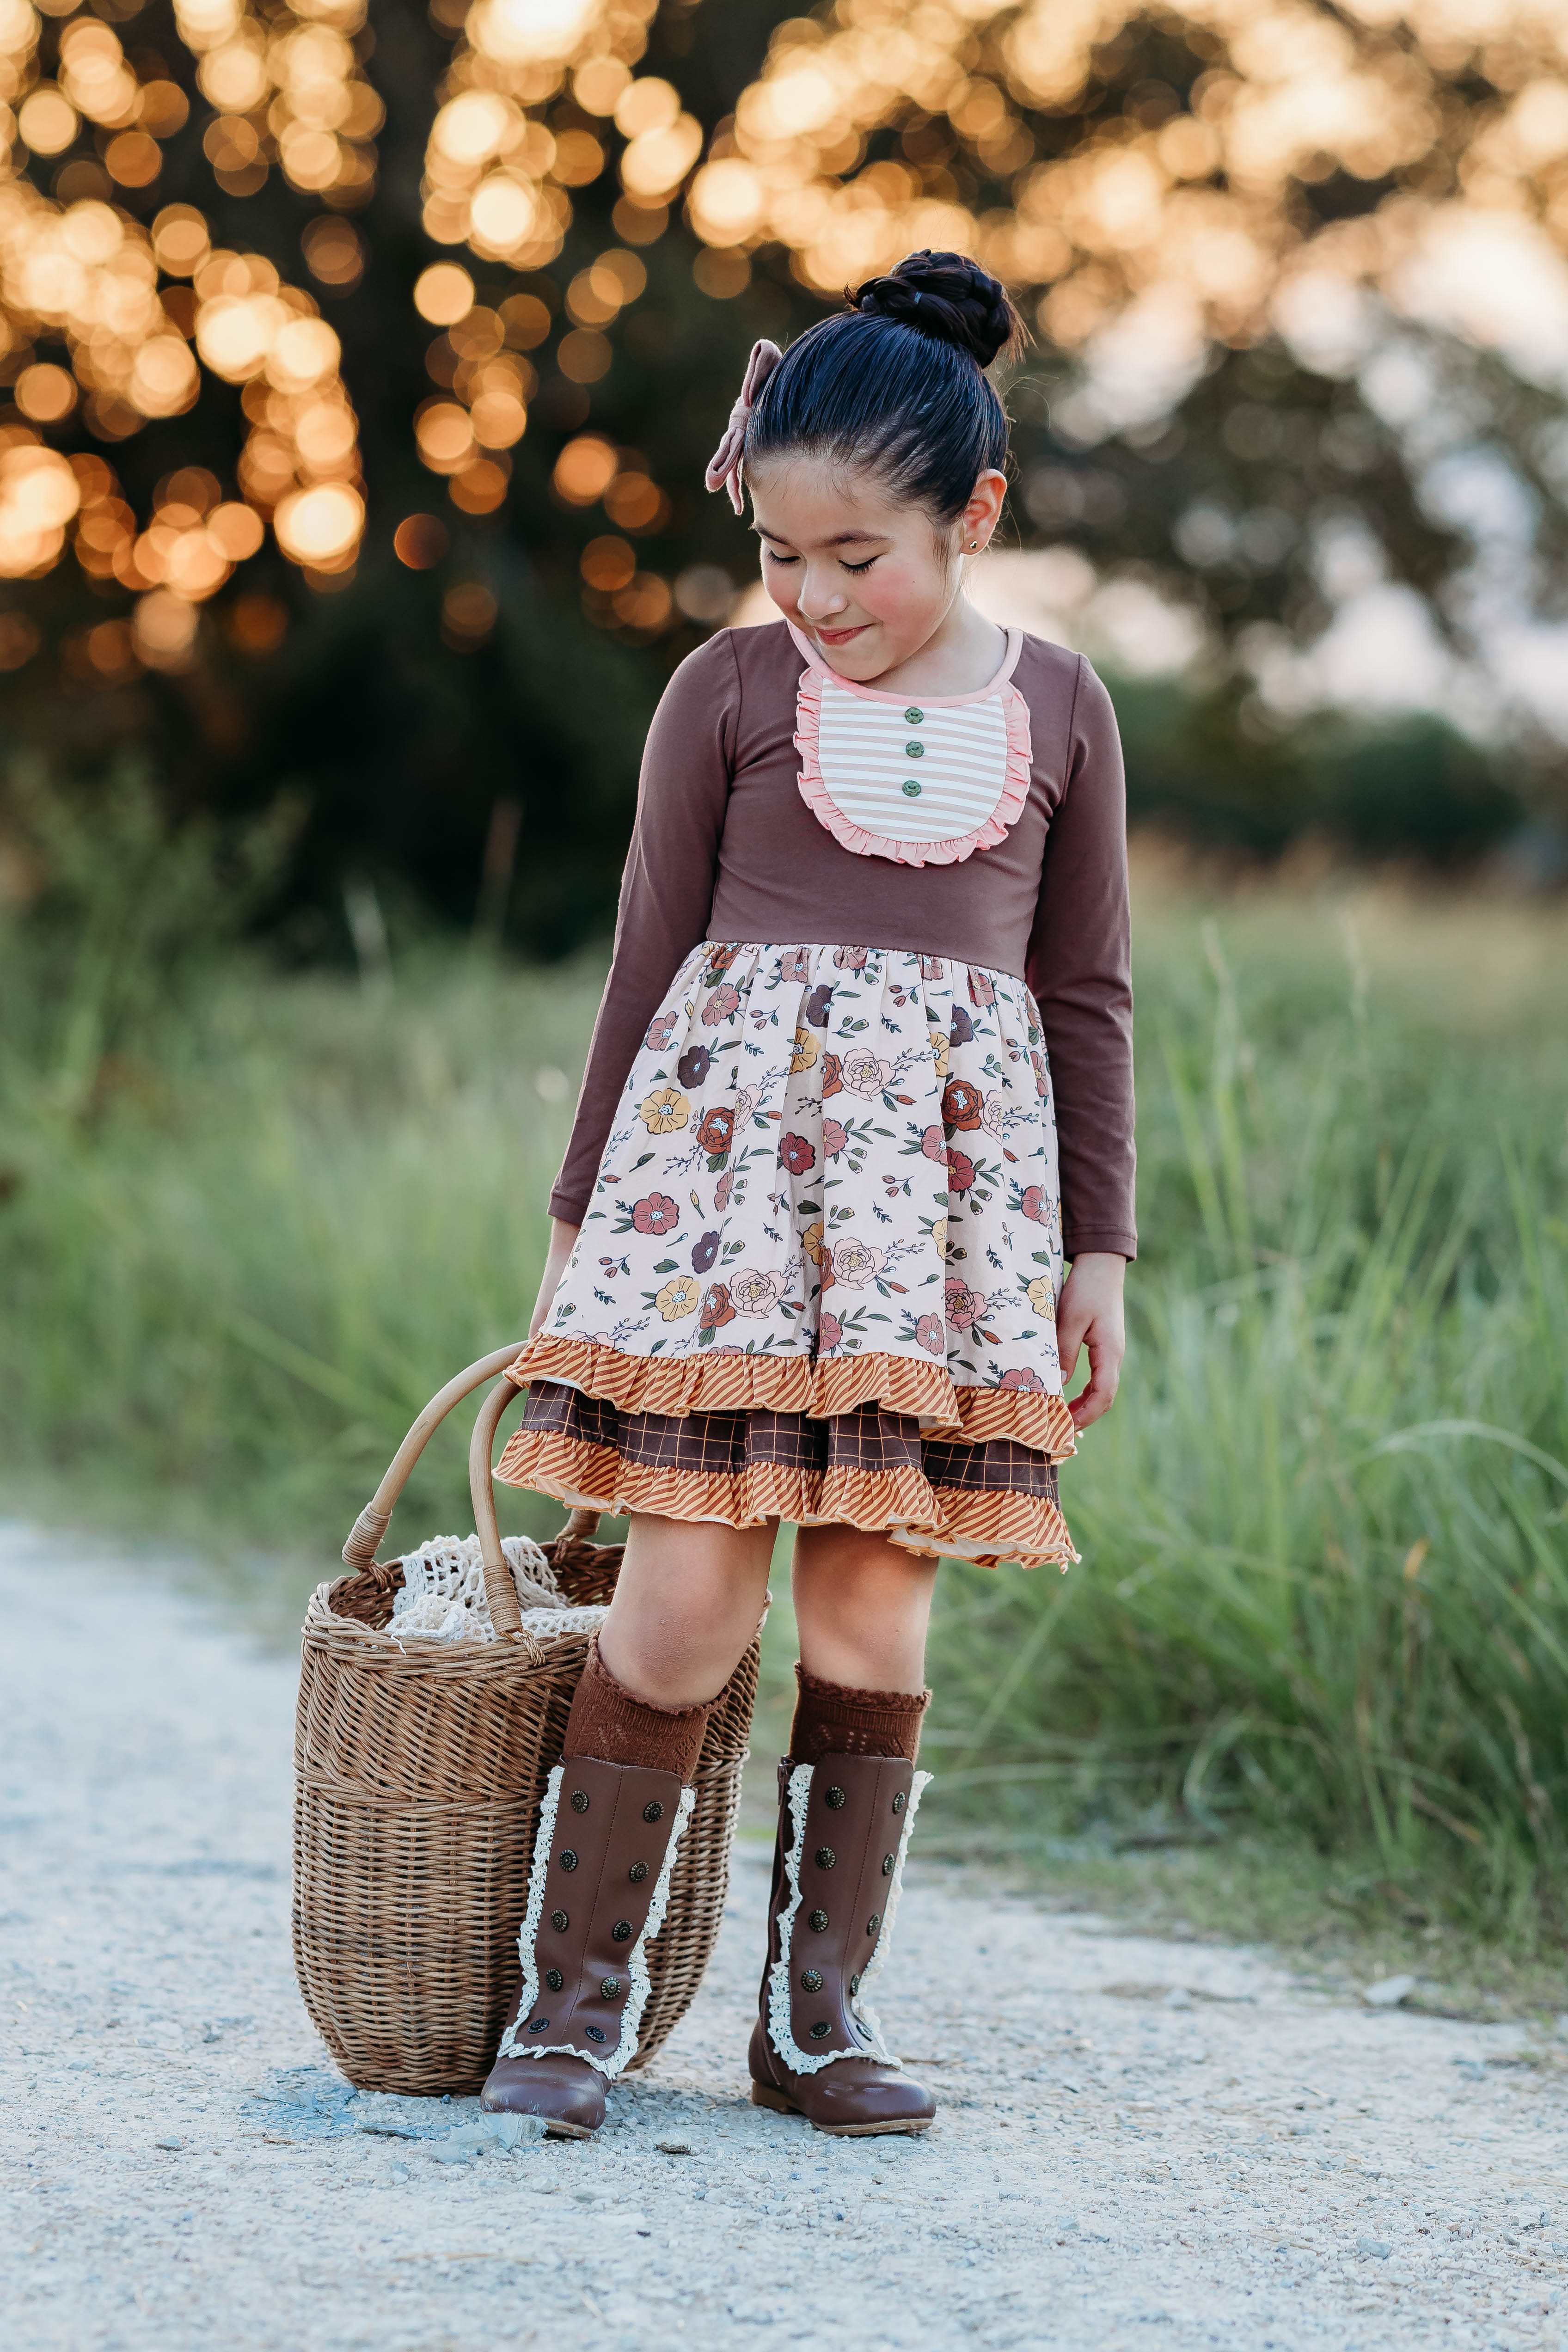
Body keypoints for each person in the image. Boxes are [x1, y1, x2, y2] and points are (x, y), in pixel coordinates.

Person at [480, 249, 1135, 2139]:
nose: (819, 596)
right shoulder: (724, 689)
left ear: (973, 515)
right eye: (782, 554)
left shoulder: (1062, 712)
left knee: (870, 1611)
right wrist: (577, 1218)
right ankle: (575, 2009)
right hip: (724, 1234)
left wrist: (1098, 1248)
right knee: (682, 1603)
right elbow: (640, 955)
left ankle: (814, 2021)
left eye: (862, 556)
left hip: (939, 1251)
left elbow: (1081, 992)